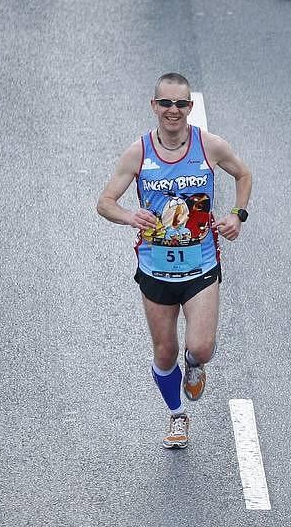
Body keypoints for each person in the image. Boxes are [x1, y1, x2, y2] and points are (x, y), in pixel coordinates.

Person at [95, 73, 254, 449]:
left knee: (200, 347)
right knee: (165, 352)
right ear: (154, 106)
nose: (173, 111)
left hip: (200, 266)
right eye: (165, 103)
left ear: (190, 107)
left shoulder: (209, 146)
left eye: (180, 104)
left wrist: (236, 214)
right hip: (155, 269)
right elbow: (104, 203)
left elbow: (244, 174)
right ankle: (177, 415)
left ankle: (195, 365)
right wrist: (130, 216)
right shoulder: (139, 152)